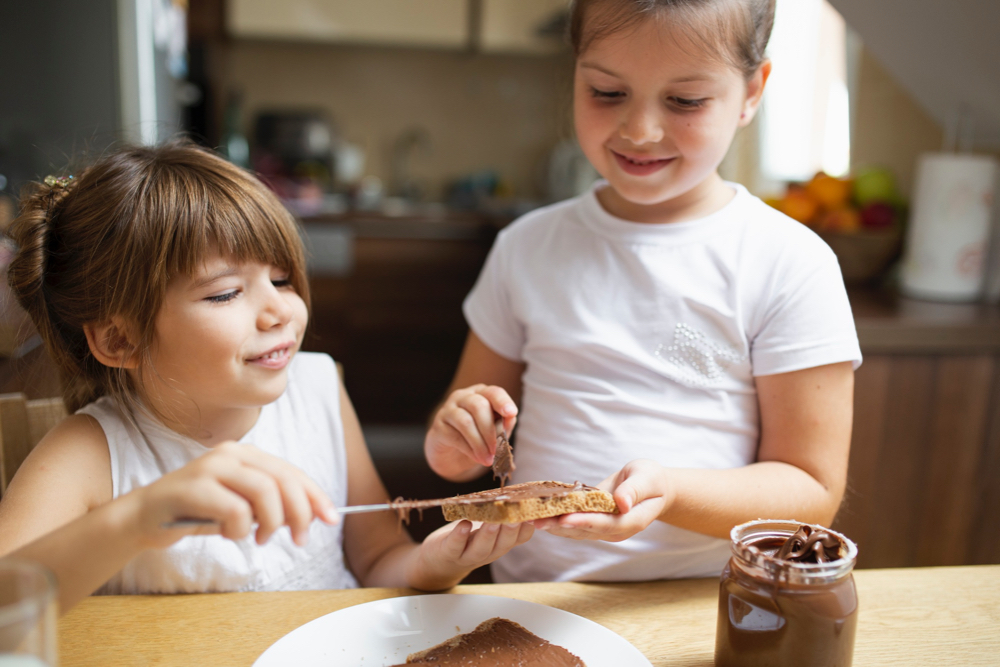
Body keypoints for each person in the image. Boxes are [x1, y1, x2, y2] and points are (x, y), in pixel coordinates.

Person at [424, 0, 861, 583]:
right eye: (606, 91)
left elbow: (812, 491)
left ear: (752, 91)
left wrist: (673, 492)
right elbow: (455, 455)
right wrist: (456, 433)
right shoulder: (526, 247)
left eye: (684, 101)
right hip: (532, 602)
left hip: (700, 608)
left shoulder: (789, 262)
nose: (640, 130)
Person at [0, 141, 533, 612]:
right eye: (225, 292)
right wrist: (141, 516)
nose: (279, 310)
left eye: (281, 278)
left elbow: (377, 558)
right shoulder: (92, 452)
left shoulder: (317, 388)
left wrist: (433, 563)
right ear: (121, 339)